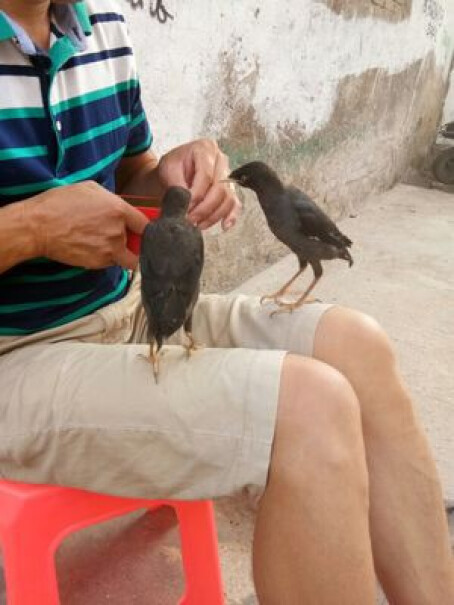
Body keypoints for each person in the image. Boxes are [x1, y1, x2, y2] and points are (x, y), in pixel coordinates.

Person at [0, 1, 452, 603]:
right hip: (19, 357)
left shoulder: (97, 22)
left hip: (131, 315)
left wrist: (170, 179)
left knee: (357, 347)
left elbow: (127, 172)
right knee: (311, 409)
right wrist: (29, 229)